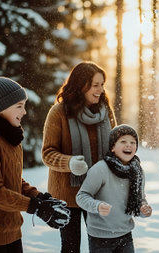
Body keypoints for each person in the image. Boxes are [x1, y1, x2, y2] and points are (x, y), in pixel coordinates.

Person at [0, 77, 70, 253]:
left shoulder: (10, 137)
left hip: (10, 227)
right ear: (1, 108)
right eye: (19, 106)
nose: (25, 112)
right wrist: (36, 207)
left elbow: (13, 181)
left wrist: (41, 198)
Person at [42, 62, 117, 253]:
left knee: (101, 245)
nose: (100, 90)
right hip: (68, 194)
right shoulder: (58, 113)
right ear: (81, 85)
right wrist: (69, 163)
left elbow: (114, 148)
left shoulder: (105, 111)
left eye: (102, 84)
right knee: (70, 247)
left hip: (98, 192)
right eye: (95, 85)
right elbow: (48, 153)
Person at [76, 124, 152, 253]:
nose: (129, 145)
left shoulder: (137, 171)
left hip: (125, 235)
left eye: (133, 142)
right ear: (112, 147)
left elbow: (140, 200)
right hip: (100, 237)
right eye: (123, 141)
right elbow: (81, 196)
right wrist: (97, 206)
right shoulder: (100, 169)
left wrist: (143, 208)